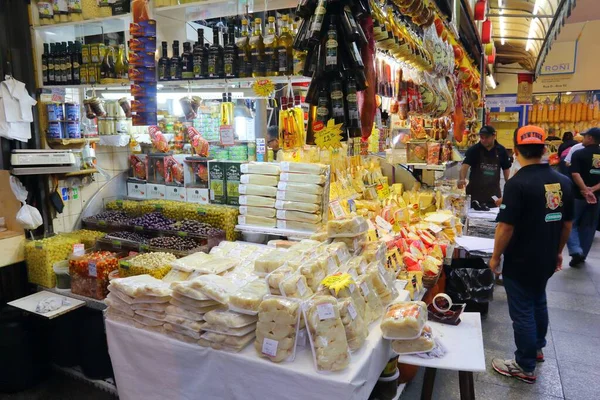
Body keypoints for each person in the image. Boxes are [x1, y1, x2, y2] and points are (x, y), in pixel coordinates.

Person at [490, 125, 574, 384]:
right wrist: (558, 252)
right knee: (538, 300)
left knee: (523, 309)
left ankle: (524, 365)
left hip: (521, 258)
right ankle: (537, 348)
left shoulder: (518, 184)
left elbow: (506, 227)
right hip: (547, 256)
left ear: (515, 151)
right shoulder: (563, 181)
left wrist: (494, 258)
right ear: (545, 149)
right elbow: (567, 224)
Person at [566, 127, 600, 266]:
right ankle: (582, 255)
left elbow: (575, 174)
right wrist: (593, 190)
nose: (583, 139)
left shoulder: (579, 153)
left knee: (570, 222)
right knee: (589, 226)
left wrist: (584, 190)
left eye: (585, 136)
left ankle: (576, 251)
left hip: (578, 196)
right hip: (596, 197)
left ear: (590, 138)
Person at [458, 125, 512, 210]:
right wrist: (462, 179)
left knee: (497, 214)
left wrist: (510, 188)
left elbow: (506, 170)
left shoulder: (501, 150)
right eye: (481, 137)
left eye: (486, 137)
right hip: (474, 194)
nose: (483, 140)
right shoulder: (474, 150)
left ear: (494, 136)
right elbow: (465, 166)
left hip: (494, 195)